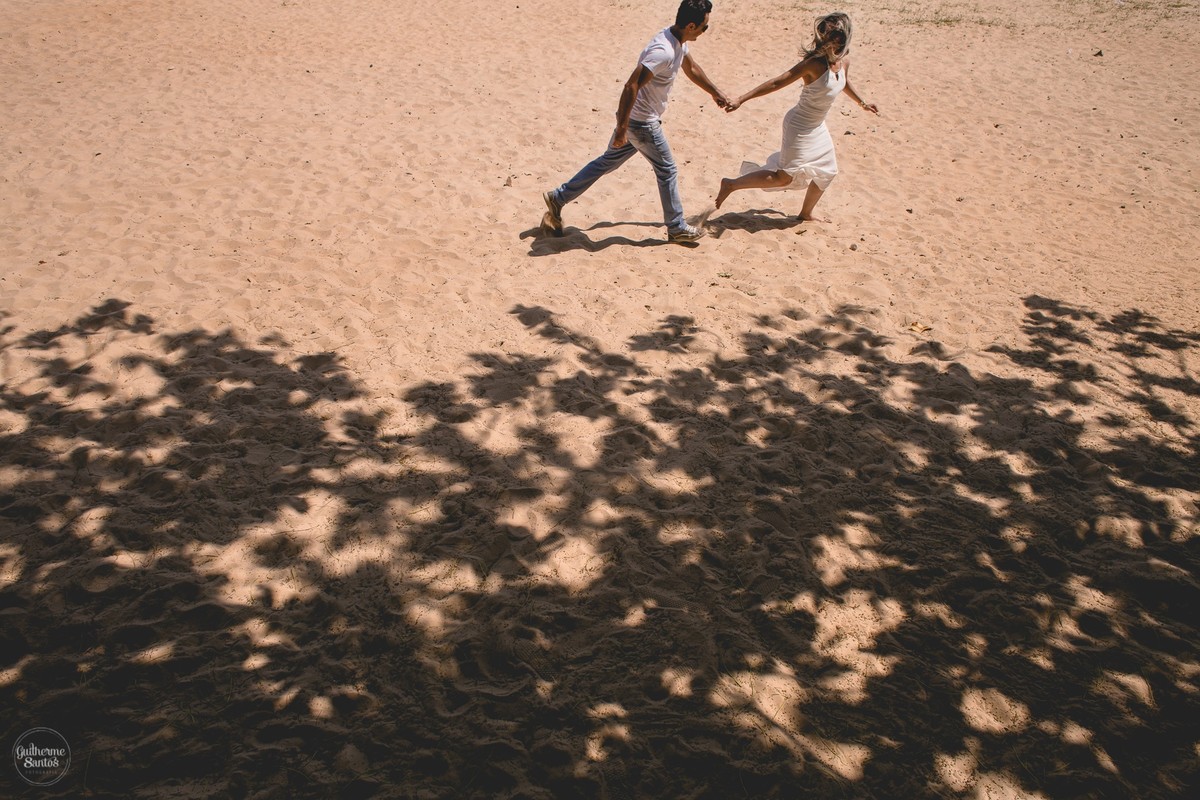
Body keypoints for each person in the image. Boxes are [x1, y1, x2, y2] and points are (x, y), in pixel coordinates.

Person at [542, 0, 730, 243]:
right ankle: (676, 227)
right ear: (691, 25)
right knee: (667, 170)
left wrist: (715, 92)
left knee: (606, 163)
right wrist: (622, 128)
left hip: (635, 121)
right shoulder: (662, 51)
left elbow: (691, 68)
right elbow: (631, 85)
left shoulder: (677, 41)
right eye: (704, 27)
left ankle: (559, 197)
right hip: (642, 123)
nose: (705, 31)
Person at [714, 12, 877, 222]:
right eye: (826, 35)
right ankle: (731, 184)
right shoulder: (813, 64)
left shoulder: (843, 62)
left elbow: (844, 82)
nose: (829, 40)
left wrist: (862, 103)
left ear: (842, 39)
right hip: (798, 126)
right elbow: (776, 82)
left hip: (818, 127)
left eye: (835, 37)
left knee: (828, 172)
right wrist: (741, 99)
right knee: (783, 178)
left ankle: (805, 213)